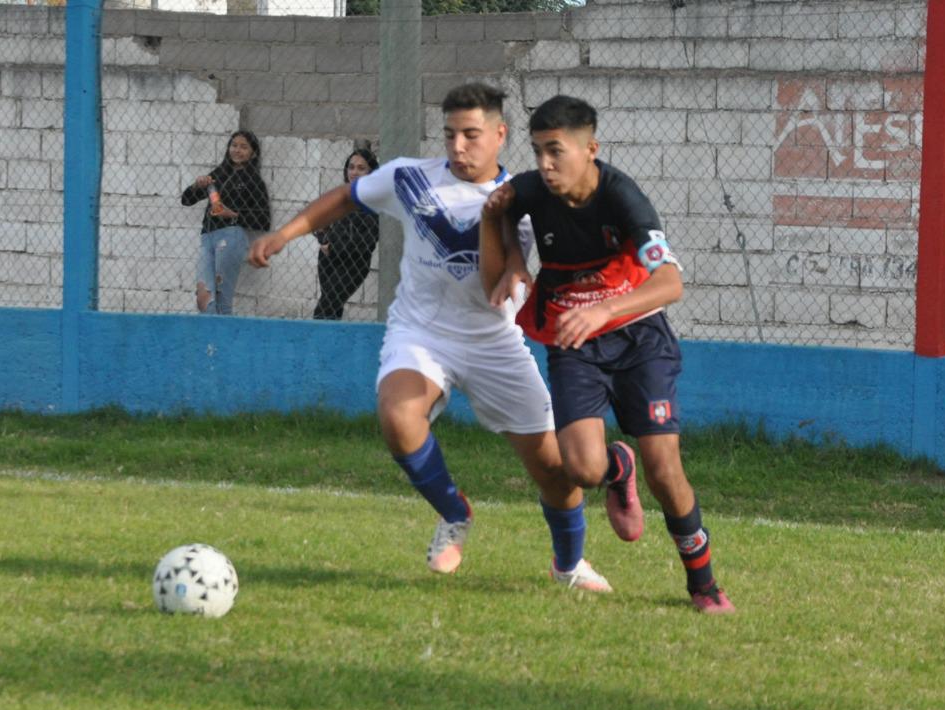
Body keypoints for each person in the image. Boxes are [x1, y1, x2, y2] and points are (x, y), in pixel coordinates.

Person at [249, 83, 612, 592]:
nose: (458, 147)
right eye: (449, 135)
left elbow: (537, 251)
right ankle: (454, 512)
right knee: (398, 417)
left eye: (471, 135)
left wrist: (527, 273)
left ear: (500, 135)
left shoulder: (526, 197)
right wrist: (282, 235)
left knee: (554, 468)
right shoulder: (410, 178)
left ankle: (569, 565)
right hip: (422, 332)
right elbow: (346, 198)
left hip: (494, 341)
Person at [479, 94, 736, 614]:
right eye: (537, 153)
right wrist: (513, 259)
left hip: (640, 339)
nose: (545, 166)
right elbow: (500, 207)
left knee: (666, 471)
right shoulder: (529, 189)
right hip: (574, 342)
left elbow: (669, 283)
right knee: (583, 469)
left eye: (557, 152)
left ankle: (703, 585)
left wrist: (605, 310)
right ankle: (619, 467)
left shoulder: (625, 198)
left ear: (590, 148)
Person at [180, 130, 271, 315]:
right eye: (234, 145)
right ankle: (210, 342)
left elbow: (264, 220)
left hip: (231, 237)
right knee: (203, 298)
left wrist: (234, 215)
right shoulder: (218, 174)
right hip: (207, 238)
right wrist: (197, 185)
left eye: (244, 147)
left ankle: (222, 340)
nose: (237, 150)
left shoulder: (254, 180)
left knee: (222, 297)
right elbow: (186, 200)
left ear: (253, 153)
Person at [313, 148, 381, 320]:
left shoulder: (372, 200)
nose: (354, 172)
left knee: (324, 309)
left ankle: (316, 344)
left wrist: (333, 245)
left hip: (353, 264)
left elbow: (368, 241)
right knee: (331, 307)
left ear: (371, 172)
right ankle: (329, 344)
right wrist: (324, 239)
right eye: (351, 167)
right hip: (328, 260)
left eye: (361, 168)